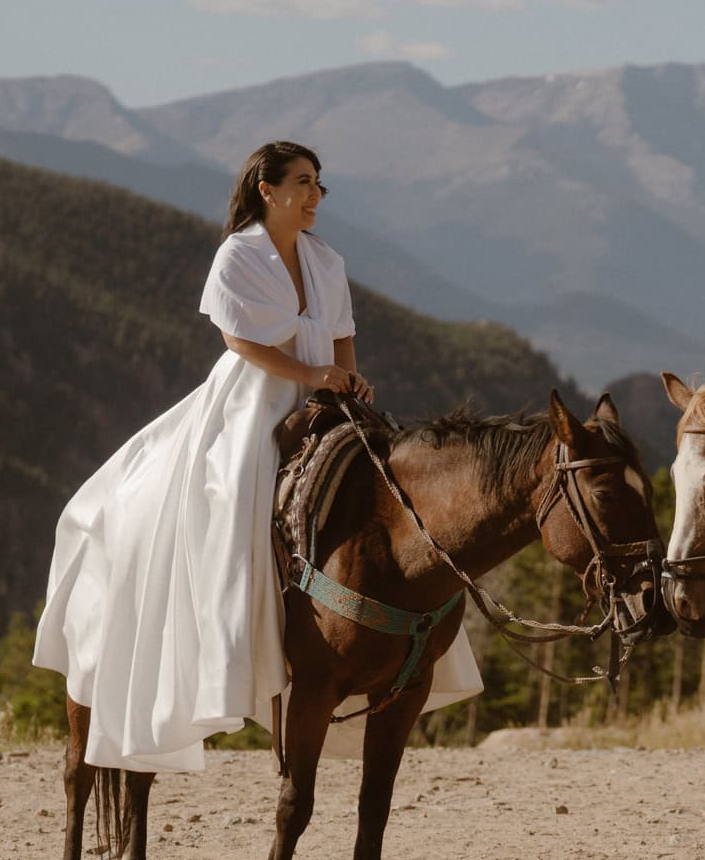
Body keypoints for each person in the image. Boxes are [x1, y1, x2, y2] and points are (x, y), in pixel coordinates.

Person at [34, 140, 478, 770]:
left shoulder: (326, 260)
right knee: (236, 489)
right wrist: (315, 373)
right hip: (256, 399)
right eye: (302, 182)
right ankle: (231, 643)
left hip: (327, 395)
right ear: (266, 189)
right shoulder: (238, 255)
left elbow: (344, 335)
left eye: (320, 184)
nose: (314, 195)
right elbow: (240, 341)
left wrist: (346, 383)